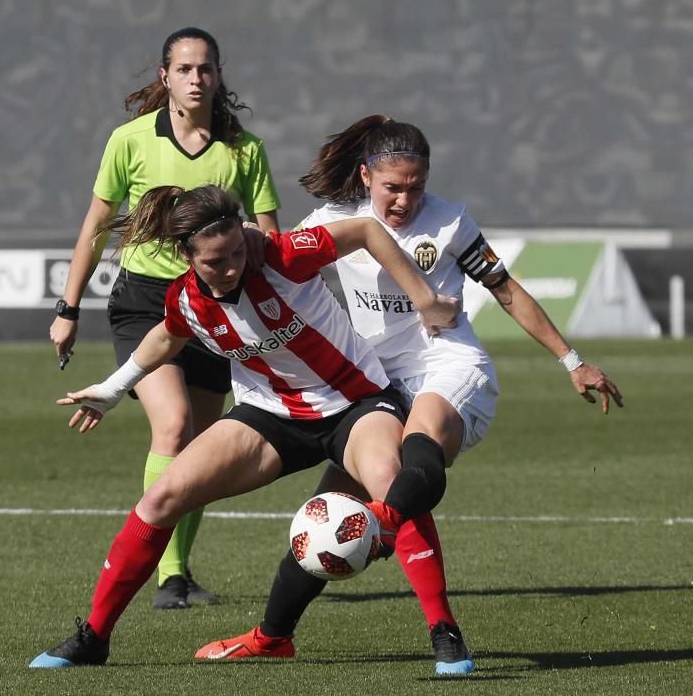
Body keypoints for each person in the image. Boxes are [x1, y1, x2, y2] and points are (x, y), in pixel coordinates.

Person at [194, 115, 623, 675]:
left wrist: (573, 360)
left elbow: (505, 289)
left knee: (417, 446)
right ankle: (272, 635)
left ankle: (443, 630)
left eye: (415, 186)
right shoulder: (334, 221)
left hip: (450, 367)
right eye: (392, 187)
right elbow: (272, 261)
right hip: (373, 384)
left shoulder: (450, 223)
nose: (403, 199)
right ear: (366, 175)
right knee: (331, 516)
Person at [29, 184, 461, 668]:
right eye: (216, 261)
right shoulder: (188, 299)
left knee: (390, 486)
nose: (233, 265)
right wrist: (113, 388)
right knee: (160, 498)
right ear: (185, 255)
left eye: (237, 249)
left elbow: (364, 229)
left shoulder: (281, 255)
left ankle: (445, 633)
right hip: (270, 416)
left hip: (355, 402)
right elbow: (165, 336)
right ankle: (94, 637)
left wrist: (424, 297)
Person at [48, 27, 281, 609]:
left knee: (199, 444)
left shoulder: (244, 149)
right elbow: (95, 227)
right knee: (173, 425)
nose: (196, 78)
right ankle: (153, 567)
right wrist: (68, 307)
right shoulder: (129, 141)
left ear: (218, 75)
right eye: (184, 69)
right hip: (146, 302)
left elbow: (272, 236)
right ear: (164, 76)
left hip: (213, 306)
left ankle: (176, 575)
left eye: (206, 68)